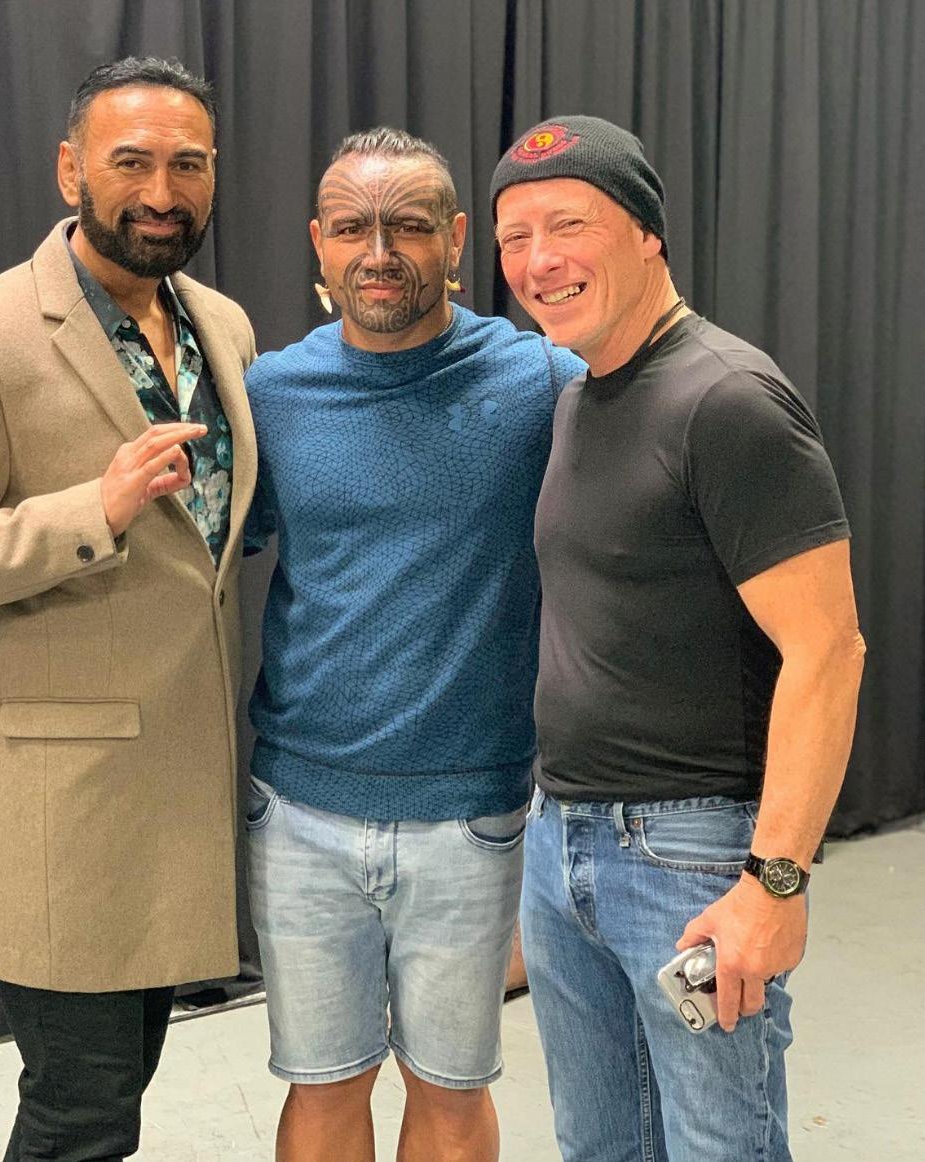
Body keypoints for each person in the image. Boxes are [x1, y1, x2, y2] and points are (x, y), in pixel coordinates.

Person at [0, 57, 256, 1161]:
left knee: (107, 1099)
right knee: (81, 1113)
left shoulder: (222, 324)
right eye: (132, 162)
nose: (162, 193)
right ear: (71, 170)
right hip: (58, 812)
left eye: (188, 164)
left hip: (178, 799)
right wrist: (97, 509)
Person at [491, 115, 866, 1161]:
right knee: (599, 1146)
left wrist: (777, 883)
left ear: (648, 232)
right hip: (564, 841)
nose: (539, 260)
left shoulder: (728, 400)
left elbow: (829, 651)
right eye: (516, 237)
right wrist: (552, 856)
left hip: (689, 859)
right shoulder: (581, 397)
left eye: (569, 224)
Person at [243, 128, 584, 1162]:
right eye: (352, 228)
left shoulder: (542, 383)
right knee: (321, 1086)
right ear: (319, 241)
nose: (379, 252)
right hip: (298, 812)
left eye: (409, 226)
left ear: (456, 237)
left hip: (473, 814)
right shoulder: (271, 395)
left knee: (450, 1091)